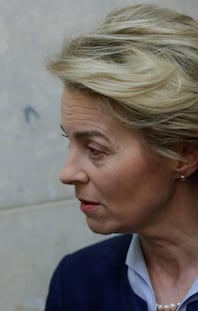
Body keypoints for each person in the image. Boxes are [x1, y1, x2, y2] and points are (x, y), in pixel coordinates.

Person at [44, 4, 198, 311]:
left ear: (182, 155)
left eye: (95, 150)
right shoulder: (77, 281)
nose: (67, 173)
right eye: (70, 142)